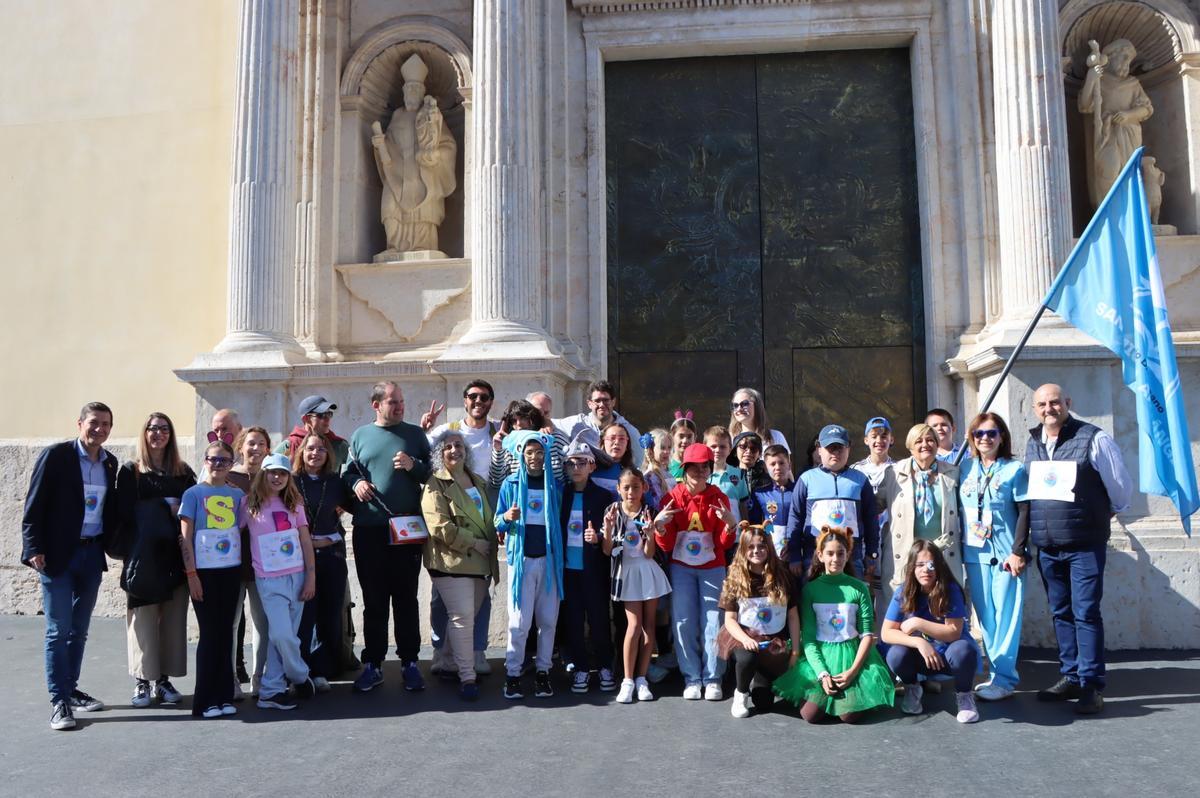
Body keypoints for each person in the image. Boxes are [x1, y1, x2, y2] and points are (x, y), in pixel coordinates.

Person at [1025, 383, 1131, 715]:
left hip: (1084, 545)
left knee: (1085, 613)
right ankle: (1070, 675)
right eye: (1042, 404)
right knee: (1061, 613)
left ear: (1067, 403)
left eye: (1054, 402)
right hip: (1048, 547)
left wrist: (1097, 514)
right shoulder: (1033, 442)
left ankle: (1090, 684)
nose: (1048, 409)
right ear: (1034, 409)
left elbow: (1121, 490)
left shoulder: (1095, 439)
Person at [21, 402, 119, 730]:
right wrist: (33, 548)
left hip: (91, 556)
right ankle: (58, 701)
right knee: (57, 630)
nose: (99, 429)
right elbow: (34, 505)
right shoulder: (56, 456)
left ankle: (71, 689)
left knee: (79, 630)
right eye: (94, 423)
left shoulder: (109, 463)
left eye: (106, 424)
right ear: (79, 423)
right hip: (57, 555)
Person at [345, 381, 432, 693]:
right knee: (374, 600)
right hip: (369, 529)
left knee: (406, 598)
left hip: (407, 529)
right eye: (393, 402)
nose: (399, 407)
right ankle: (374, 663)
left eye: (401, 401)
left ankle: (410, 662)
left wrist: (413, 465)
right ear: (376, 405)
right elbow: (348, 472)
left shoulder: (415, 434)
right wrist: (355, 484)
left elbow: (430, 473)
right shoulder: (360, 435)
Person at [114, 412, 196, 709]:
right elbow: (122, 513)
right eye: (152, 429)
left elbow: (194, 507)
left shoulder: (183, 472)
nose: (158, 434)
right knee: (143, 621)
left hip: (175, 555)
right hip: (143, 557)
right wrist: (163, 506)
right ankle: (142, 681)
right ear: (144, 433)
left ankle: (163, 679)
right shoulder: (131, 471)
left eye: (164, 429)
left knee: (173, 621)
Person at [774, 527, 892, 723]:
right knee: (810, 715)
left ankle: (845, 697)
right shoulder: (811, 590)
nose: (835, 559)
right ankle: (826, 696)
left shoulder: (859, 588)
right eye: (830, 553)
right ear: (820, 555)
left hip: (852, 656)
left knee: (849, 716)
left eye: (840, 553)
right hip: (821, 656)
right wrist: (822, 674)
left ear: (848, 555)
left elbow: (867, 635)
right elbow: (809, 639)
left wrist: (852, 672)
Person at [425, 380, 500, 678]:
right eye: (472, 396)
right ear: (464, 400)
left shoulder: (498, 431)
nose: (478, 401)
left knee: (481, 598)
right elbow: (420, 454)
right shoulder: (447, 430)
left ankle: (476, 652)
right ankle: (441, 652)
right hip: (451, 514)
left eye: (484, 397)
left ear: (491, 401)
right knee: (441, 597)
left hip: (483, 513)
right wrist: (423, 428)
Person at [654, 443, 737, 701]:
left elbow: (724, 544)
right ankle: (691, 677)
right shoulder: (672, 499)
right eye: (695, 468)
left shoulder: (718, 497)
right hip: (682, 569)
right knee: (683, 621)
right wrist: (660, 528)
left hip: (712, 568)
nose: (700, 472)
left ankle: (713, 677)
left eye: (705, 467)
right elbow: (666, 546)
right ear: (685, 469)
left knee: (714, 622)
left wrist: (730, 525)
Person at [960, 412, 1030, 702]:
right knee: (986, 618)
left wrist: (1018, 551)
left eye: (991, 433)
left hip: (1006, 556)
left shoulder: (1015, 469)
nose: (985, 438)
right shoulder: (964, 468)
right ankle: (993, 676)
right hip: (975, 555)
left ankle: (1004, 678)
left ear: (1002, 437)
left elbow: (1025, 511)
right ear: (972, 439)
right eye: (979, 434)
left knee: (1006, 618)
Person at [244, 454, 317, 710]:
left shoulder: (294, 503)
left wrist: (310, 577)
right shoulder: (248, 504)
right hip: (268, 580)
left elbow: (306, 542)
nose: (277, 477)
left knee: (281, 638)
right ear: (263, 474)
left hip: (296, 577)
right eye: (272, 472)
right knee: (281, 634)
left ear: (289, 478)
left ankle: (271, 691)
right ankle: (299, 675)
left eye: (283, 473)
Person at [495, 431, 565, 700]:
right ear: (522, 456)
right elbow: (497, 524)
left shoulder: (555, 487)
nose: (535, 458)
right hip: (522, 563)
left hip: (549, 563)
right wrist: (506, 517)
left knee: (548, 622)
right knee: (519, 622)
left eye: (539, 452)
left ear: (546, 455)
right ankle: (513, 675)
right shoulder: (510, 484)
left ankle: (543, 673)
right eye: (529, 453)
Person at [179, 439, 245, 718]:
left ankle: (223, 695)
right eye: (213, 459)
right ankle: (204, 700)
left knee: (225, 634)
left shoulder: (239, 495)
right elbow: (185, 537)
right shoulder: (193, 494)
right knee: (209, 635)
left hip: (230, 571)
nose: (218, 465)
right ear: (205, 460)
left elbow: (242, 528)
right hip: (203, 573)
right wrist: (191, 574)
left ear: (232, 464)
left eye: (224, 461)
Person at [881, 540, 981, 723]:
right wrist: (920, 642)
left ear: (939, 566)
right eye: (919, 565)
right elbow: (886, 633)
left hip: (946, 657)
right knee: (895, 654)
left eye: (931, 565)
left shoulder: (950, 590)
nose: (925, 570)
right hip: (921, 657)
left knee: (963, 651)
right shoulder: (903, 591)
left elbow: (953, 632)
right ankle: (912, 687)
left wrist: (918, 623)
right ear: (911, 567)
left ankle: (965, 695)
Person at [595, 468, 671, 703]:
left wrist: (650, 534)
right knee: (634, 625)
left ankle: (641, 679)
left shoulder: (650, 512)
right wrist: (607, 531)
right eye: (626, 487)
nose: (631, 492)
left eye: (636, 487)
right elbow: (607, 550)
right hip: (625, 574)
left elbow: (649, 554)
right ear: (618, 489)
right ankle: (627, 680)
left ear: (644, 489)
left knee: (649, 626)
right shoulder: (611, 511)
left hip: (648, 572)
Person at [370, 53, 457, 256]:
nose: (411, 93)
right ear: (403, 92)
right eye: (408, 89)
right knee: (390, 207)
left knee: (423, 212)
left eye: (416, 89)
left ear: (422, 92)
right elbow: (389, 143)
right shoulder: (397, 116)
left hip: (423, 173)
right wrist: (380, 144)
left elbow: (448, 144)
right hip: (398, 172)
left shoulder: (430, 117)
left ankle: (423, 246)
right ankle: (393, 246)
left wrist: (435, 155)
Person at [874, 423, 963, 616]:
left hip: (941, 553)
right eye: (919, 440)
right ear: (910, 446)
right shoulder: (893, 473)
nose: (925, 444)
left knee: (941, 606)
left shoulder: (952, 473)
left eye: (930, 440)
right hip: (906, 553)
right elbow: (875, 505)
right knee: (904, 608)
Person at [719, 525, 800, 718]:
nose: (756, 551)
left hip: (773, 640)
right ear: (744, 549)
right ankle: (740, 693)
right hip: (745, 636)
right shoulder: (735, 578)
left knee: (764, 703)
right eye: (751, 547)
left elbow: (793, 616)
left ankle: (760, 677)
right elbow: (730, 620)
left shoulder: (783, 575)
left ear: (769, 548)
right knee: (747, 657)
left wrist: (795, 651)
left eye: (761, 546)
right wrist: (745, 639)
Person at [292, 432, 350, 692]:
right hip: (300, 558)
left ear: (329, 455)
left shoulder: (335, 482)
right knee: (305, 617)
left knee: (330, 614)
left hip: (332, 557)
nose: (315, 453)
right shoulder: (291, 482)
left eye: (321, 450)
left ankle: (323, 670)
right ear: (301, 452)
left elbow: (358, 507)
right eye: (310, 449)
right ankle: (302, 669)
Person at [784, 424, 879, 579]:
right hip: (814, 558)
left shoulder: (860, 480)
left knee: (851, 603)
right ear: (819, 449)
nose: (835, 452)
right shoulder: (806, 479)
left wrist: (871, 553)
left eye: (840, 448)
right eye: (830, 447)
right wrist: (794, 555)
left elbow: (871, 520)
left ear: (849, 448)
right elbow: (795, 518)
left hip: (852, 559)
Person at [559, 440, 616, 693]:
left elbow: (610, 536)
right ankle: (581, 668)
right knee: (573, 620)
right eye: (570, 463)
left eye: (581, 462)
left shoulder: (603, 496)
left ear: (592, 466)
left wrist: (598, 540)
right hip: (568, 571)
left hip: (594, 571)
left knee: (599, 619)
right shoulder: (562, 494)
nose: (576, 468)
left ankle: (605, 665)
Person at [1077, 38, 1153, 207]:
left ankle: (1130, 211)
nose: (1127, 63)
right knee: (1109, 169)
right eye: (1124, 57)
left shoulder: (1133, 84)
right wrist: (1091, 78)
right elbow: (1084, 105)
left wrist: (1128, 114)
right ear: (1110, 57)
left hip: (1129, 134)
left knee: (1130, 174)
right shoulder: (1099, 81)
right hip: (1106, 134)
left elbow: (1147, 109)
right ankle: (1109, 210)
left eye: (1130, 60)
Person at [228, 426, 272, 697]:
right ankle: (231, 678)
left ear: (268, 449)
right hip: (232, 560)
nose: (255, 449)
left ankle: (260, 677)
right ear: (241, 446)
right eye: (251, 443)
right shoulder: (228, 477)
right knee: (232, 623)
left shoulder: (272, 479)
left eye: (261, 444)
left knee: (262, 622)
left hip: (263, 563)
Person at [556, 379, 644, 465]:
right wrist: (546, 424)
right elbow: (550, 423)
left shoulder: (630, 432)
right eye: (597, 401)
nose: (602, 405)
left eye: (606, 400)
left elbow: (641, 464)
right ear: (589, 403)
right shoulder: (578, 424)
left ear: (613, 402)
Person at [490, 399, 564, 490]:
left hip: (554, 499)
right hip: (519, 501)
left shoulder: (552, 437)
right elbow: (496, 482)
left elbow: (572, 469)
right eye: (514, 420)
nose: (519, 424)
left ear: (532, 418)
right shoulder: (509, 446)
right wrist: (498, 450)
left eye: (523, 418)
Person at [747, 444, 794, 558]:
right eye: (772, 464)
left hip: (795, 548)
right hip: (770, 550)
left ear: (789, 465)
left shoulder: (799, 490)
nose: (777, 467)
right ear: (766, 468)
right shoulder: (760, 494)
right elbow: (755, 524)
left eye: (782, 463)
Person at [275, 395, 350, 466]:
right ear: (306, 419)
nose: (327, 419)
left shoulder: (339, 445)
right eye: (321, 415)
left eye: (329, 414)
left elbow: (354, 471)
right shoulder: (290, 445)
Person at [706, 425, 749, 525]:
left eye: (722, 446)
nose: (717, 450)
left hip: (735, 534)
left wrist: (746, 530)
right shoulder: (701, 475)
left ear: (730, 449)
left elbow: (743, 506)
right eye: (713, 446)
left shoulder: (739, 474)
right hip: (709, 535)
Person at [729, 387, 790, 452]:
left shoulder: (776, 436)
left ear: (757, 406)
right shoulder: (728, 439)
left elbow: (786, 462)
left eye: (744, 404)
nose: (739, 409)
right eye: (735, 405)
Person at [851, 416, 895, 492]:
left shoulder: (899, 469)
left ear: (891, 440)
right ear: (866, 440)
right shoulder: (856, 469)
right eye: (874, 436)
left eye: (883, 436)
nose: (879, 440)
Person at [592, 421, 634, 498]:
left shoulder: (633, 473)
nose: (617, 442)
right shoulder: (590, 468)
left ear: (627, 444)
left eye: (621, 439)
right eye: (612, 438)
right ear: (603, 442)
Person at [639, 428, 675, 510]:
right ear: (651, 450)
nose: (667, 451)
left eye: (669, 447)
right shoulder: (649, 476)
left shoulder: (668, 473)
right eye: (662, 448)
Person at [667, 412, 697, 481]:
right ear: (672, 437)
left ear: (695, 438)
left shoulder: (699, 465)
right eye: (681, 436)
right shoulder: (666, 464)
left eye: (689, 437)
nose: (685, 441)